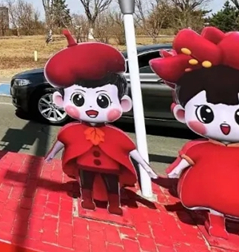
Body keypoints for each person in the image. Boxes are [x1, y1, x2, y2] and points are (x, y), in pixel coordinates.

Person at [150, 27, 239, 246]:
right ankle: (217, 224)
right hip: (213, 195)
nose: (224, 124)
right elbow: (186, 161)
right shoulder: (200, 149)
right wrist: (174, 172)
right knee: (215, 206)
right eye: (207, 113)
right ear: (181, 113)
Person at [43, 30, 158, 215]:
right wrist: (50, 155)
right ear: (60, 100)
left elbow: (131, 150)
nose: (91, 106)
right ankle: (87, 200)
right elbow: (61, 141)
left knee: (112, 184)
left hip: (111, 166)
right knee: (86, 182)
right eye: (79, 99)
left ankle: (114, 204)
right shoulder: (71, 131)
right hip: (84, 164)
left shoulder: (115, 135)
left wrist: (146, 168)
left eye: (103, 100)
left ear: (123, 104)